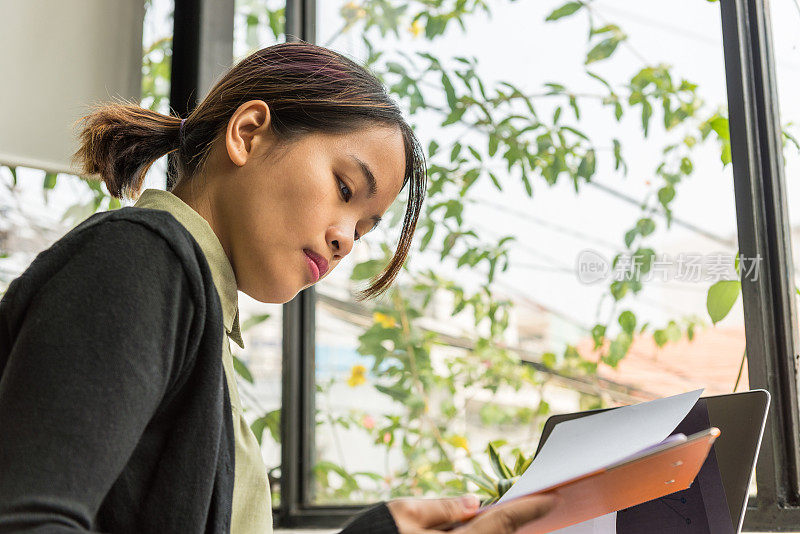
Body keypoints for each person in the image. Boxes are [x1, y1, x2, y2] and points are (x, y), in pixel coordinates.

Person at [0, 41, 557, 533]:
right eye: (344, 188)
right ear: (248, 134)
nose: (347, 242)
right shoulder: (141, 260)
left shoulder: (197, 315)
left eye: (364, 228)